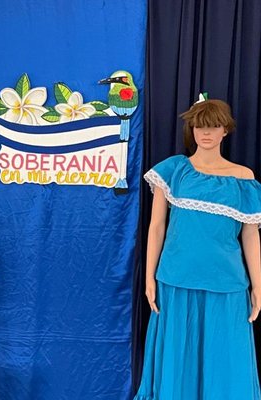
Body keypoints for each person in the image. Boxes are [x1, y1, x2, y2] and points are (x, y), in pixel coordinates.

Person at [135, 98, 261, 399]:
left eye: (214, 126)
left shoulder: (244, 178)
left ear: (225, 131)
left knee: (226, 361)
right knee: (178, 358)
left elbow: (251, 235)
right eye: (200, 126)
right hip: (176, 280)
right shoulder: (174, 171)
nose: (206, 132)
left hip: (227, 284)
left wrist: (258, 286)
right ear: (192, 129)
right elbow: (156, 227)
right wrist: (149, 278)